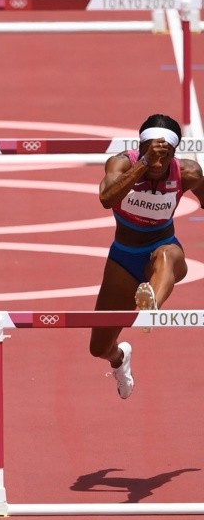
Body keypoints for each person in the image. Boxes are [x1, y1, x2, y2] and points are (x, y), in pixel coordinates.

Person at [90, 114, 204, 399]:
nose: (157, 165)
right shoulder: (122, 163)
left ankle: (151, 301)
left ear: (174, 154)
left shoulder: (187, 172)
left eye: (163, 159)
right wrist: (143, 165)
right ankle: (119, 359)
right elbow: (106, 199)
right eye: (151, 154)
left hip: (164, 249)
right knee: (99, 348)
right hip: (124, 258)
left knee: (166, 256)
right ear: (140, 148)